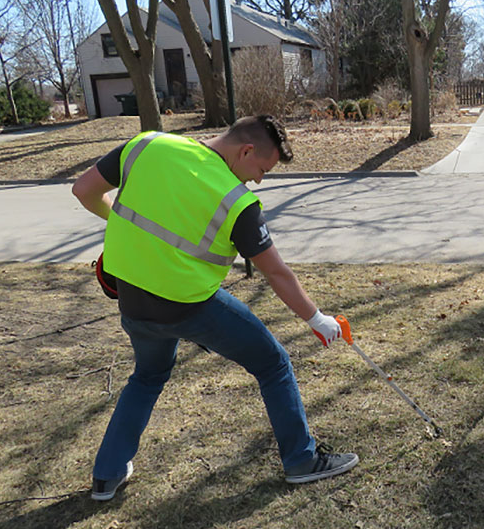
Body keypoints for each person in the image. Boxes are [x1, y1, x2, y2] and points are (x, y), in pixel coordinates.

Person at [71, 115, 358, 500]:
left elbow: (83, 190)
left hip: (134, 302)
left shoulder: (147, 145)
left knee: (147, 377)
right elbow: (277, 273)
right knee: (273, 364)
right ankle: (301, 461)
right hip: (189, 306)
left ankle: (106, 476)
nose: (257, 180)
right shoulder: (236, 201)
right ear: (246, 151)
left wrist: (120, 223)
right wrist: (315, 317)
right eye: (261, 169)